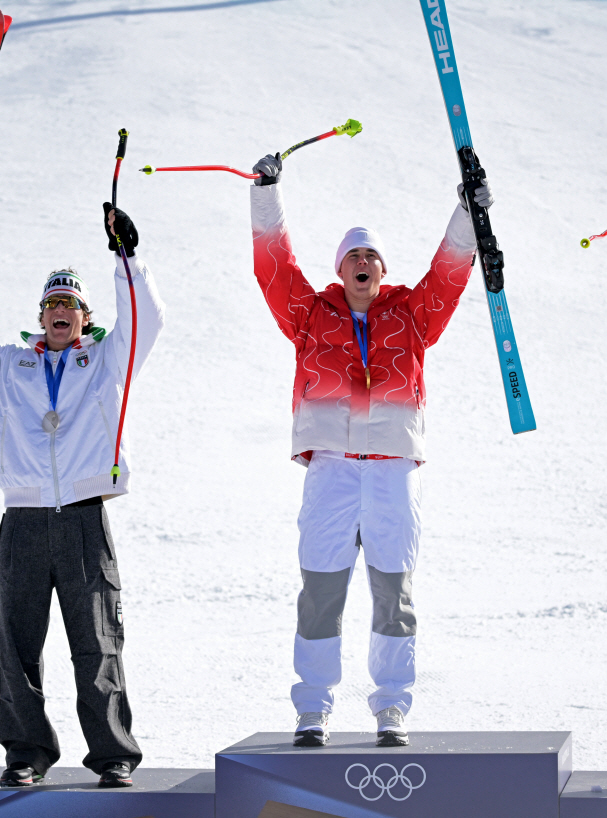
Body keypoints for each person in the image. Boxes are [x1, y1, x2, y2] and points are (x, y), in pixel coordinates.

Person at [0, 204, 165, 787]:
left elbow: (146, 323)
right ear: (40, 315)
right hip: (23, 519)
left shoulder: (105, 362)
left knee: (96, 643)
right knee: (17, 644)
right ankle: (26, 753)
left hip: (82, 519)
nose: (60, 313)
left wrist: (128, 257)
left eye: (71, 305)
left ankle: (113, 756)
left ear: (85, 317)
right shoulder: (9, 366)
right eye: (52, 304)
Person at [248, 153, 490, 748]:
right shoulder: (309, 314)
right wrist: (265, 194)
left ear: (382, 271)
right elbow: (275, 269)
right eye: (354, 255)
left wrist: (467, 212)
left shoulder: (412, 315)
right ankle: (313, 709)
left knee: (394, 592)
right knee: (321, 592)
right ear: (341, 269)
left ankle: (391, 709)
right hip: (330, 468)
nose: (363, 262)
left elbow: (449, 273)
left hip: (392, 472)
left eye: (371, 256)